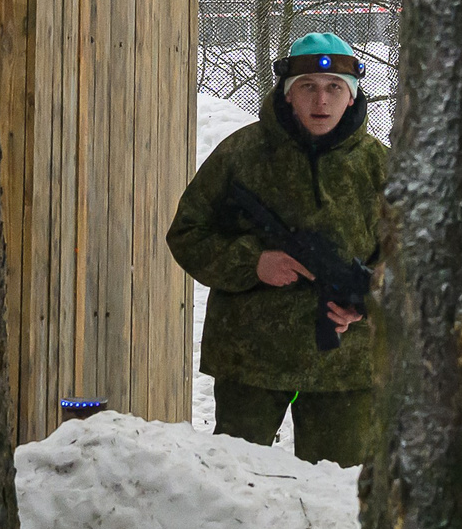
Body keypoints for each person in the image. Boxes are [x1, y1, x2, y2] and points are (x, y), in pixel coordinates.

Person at [166, 32, 388, 467]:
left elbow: (416, 261)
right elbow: (188, 233)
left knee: (336, 492)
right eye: (308, 87)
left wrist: (367, 303)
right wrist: (254, 263)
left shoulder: (380, 166)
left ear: (351, 97)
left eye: (334, 88)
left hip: (346, 368)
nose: (321, 100)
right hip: (250, 359)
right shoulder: (241, 155)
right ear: (288, 94)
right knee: (235, 482)